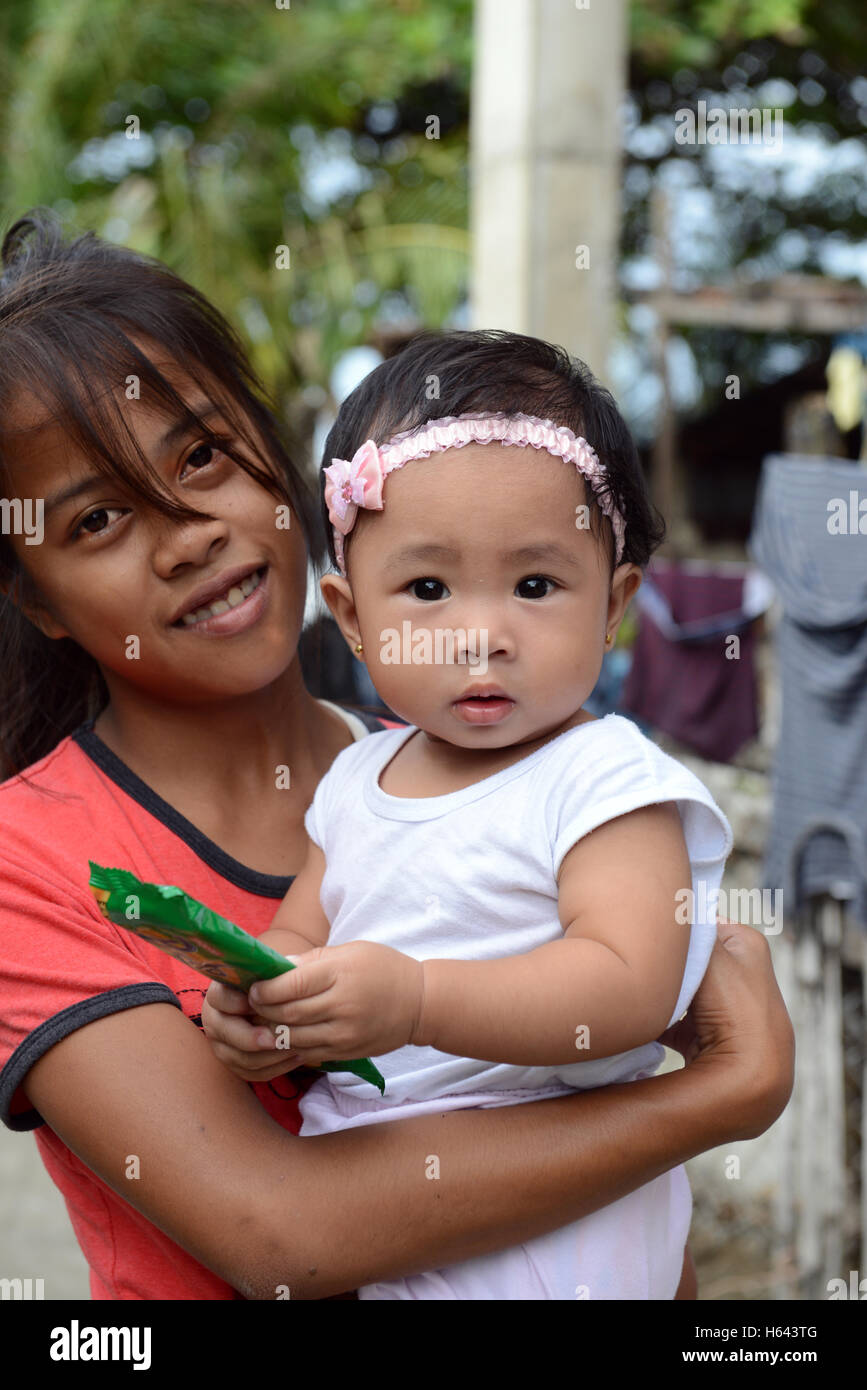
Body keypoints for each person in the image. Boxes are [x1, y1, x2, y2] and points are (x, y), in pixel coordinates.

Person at [0, 211, 794, 1302]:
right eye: (96, 521)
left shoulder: (498, 761)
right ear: (35, 597)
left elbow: (617, 1027)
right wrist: (717, 1096)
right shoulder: (31, 856)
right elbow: (280, 1236)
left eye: (201, 454)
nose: (187, 530)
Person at [203, 331, 730, 1299]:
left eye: (536, 585)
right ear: (352, 616)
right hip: (384, 1206)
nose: (482, 633)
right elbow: (302, 934)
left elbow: (627, 989)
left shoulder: (605, 778)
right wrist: (265, 1007)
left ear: (612, 606)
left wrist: (415, 1001)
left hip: (559, 1210)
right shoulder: (356, 780)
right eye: (428, 589)